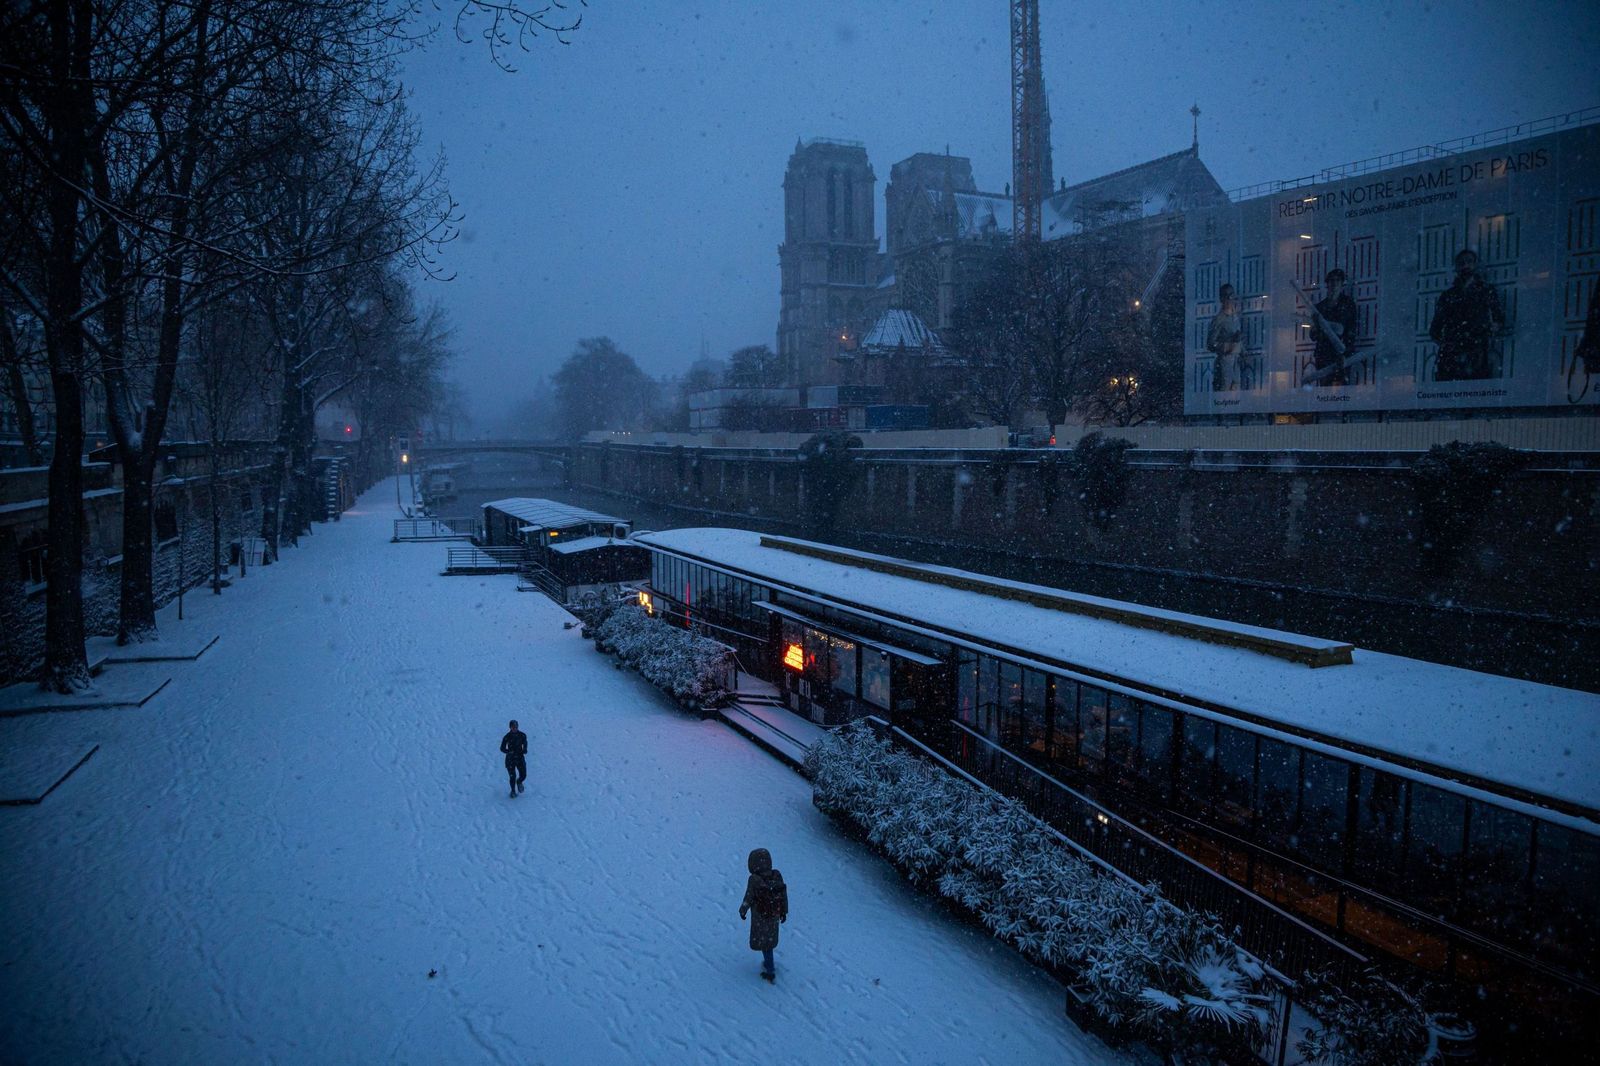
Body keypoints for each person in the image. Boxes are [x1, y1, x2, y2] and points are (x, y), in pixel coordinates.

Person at [1429, 248, 1505, 381]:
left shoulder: (1486, 290)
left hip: (1476, 348)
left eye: (1469, 262)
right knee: (1449, 388)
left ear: (1475, 264)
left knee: (1475, 386)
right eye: (1461, 263)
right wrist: (1447, 343)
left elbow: (1498, 318)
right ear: (1456, 267)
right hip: (1451, 352)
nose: (1465, 266)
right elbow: (1435, 329)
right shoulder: (1447, 295)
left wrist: (1491, 329)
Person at [738, 847, 788, 982]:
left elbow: (748, 897)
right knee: (769, 941)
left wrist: (743, 910)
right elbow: (783, 895)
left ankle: (770, 970)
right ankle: (768, 963)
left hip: (760, 916)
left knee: (765, 943)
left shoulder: (754, 880)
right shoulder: (776, 875)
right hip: (774, 915)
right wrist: (784, 911)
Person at [1311, 268, 1360, 387]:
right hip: (1324, 354)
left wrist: (1345, 352)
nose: (1334, 283)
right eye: (1331, 280)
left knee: (1342, 389)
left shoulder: (1348, 304)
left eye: (1337, 280)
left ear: (1342, 283)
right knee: (1324, 389)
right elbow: (1313, 335)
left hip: (1342, 353)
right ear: (1327, 283)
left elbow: (1351, 330)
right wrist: (1316, 329)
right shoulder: (1320, 307)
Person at [1206, 283, 1245, 391]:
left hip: (1236, 362)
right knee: (1224, 393)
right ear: (1221, 298)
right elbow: (1210, 344)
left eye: (1231, 295)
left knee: (1235, 393)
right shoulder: (1218, 320)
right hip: (1225, 362)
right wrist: (1229, 345)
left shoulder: (1235, 317)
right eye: (1226, 296)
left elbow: (1238, 337)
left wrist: (1242, 351)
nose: (1229, 299)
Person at [500, 719, 527, 798]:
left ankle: (519, 782)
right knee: (512, 776)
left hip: (520, 757)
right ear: (510, 727)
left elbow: (525, 743)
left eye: (516, 727)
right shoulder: (507, 737)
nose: (515, 728)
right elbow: (502, 748)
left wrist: (525, 749)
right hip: (510, 759)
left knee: (523, 775)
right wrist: (509, 751)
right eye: (513, 727)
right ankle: (513, 791)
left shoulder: (522, 735)